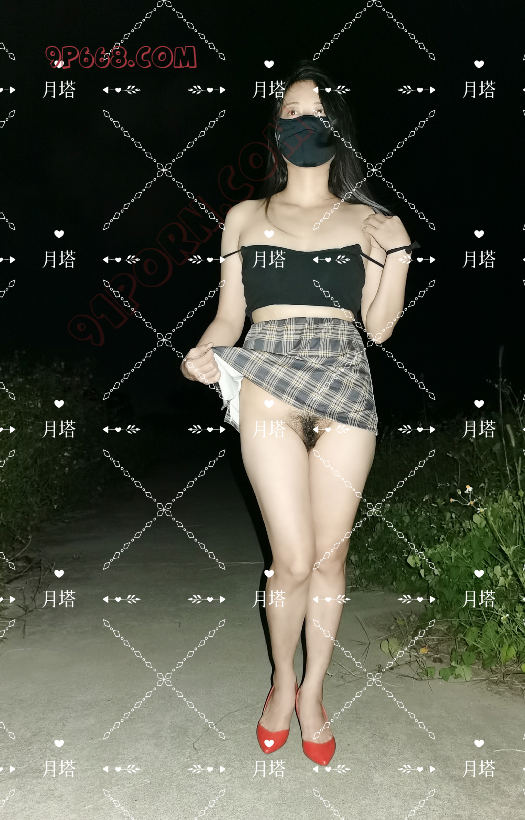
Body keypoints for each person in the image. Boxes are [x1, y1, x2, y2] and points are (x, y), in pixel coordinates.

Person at [180, 61, 415, 765]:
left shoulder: (368, 221)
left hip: (345, 374)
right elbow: (230, 316)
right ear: (275, 128)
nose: (301, 124)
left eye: (316, 114)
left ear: (338, 129)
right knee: (291, 558)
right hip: (268, 373)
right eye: (289, 112)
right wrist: (201, 352)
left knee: (330, 556)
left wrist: (399, 255)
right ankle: (281, 680)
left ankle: (314, 691)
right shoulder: (245, 217)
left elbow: (379, 328)